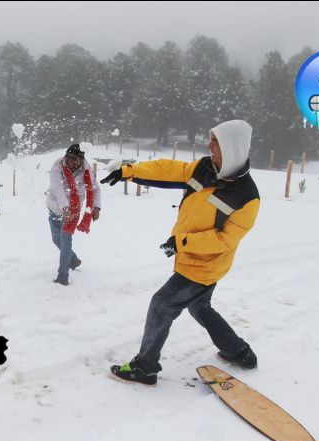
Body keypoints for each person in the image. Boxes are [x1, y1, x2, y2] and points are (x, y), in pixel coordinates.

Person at [100, 120, 259, 384]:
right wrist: (130, 171)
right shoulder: (204, 168)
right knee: (199, 307)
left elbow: (225, 240)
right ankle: (240, 352)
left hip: (205, 265)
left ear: (232, 148)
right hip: (189, 257)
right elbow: (169, 170)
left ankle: (145, 367)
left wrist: (182, 243)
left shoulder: (247, 196)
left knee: (162, 305)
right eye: (211, 140)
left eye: (217, 143)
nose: (211, 147)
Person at [45, 143, 101, 286]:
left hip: (73, 211)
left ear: (80, 159)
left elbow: (95, 189)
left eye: (74, 158)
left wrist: (96, 207)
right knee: (56, 240)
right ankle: (73, 259)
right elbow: (57, 188)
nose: (69, 160)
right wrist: (65, 207)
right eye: (68, 156)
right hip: (55, 208)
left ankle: (63, 276)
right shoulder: (58, 166)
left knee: (65, 241)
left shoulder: (87, 170)